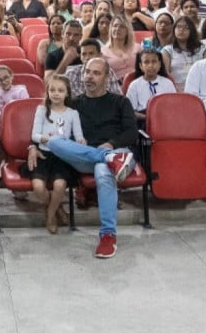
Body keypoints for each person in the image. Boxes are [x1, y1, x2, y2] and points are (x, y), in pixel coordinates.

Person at [46, 58, 137, 259]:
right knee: (53, 141)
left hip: (115, 150)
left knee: (103, 171)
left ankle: (107, 236)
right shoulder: (74, 104)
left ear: (106, 77)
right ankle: (108, 158)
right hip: (85, 156)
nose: (90, 76)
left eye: (96, 73)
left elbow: (132, 133)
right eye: (87, 72)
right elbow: (60, 132)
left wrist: (111, 144)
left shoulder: (120, 101)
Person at [24, 74, 81, 233]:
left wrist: (82, 141)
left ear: (67, 93)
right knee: (38, 187)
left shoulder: (72, 113)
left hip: (62, 156)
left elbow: (78, 136)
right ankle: (57, 208)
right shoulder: (42, 110)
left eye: (60, 90)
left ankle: (50, 214)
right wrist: (45, 139)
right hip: (43, 154)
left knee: (60, 184)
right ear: (47, 92)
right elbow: (34, 135)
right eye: (52, 90)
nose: (56, 93)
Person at [125, 48, 176, 119]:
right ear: (140, 66)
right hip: (143, 119)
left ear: (160, 64)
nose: (150, 65)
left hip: (165, 118)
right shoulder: (134, 85)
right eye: (146, 62)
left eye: (154, 61)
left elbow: (174, 106)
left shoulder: (167, 83)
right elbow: (130, 111)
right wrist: (148, 118)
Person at [161, 16, 204, 91]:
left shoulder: (202, 49)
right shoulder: (167, 50)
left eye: (186, 27)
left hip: (199, 89)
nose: (181, 30)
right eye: (178, 27)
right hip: (175, 90)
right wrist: (177, 89)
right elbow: (166, 74)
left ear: (192, 30)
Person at [101, 16, 138, 83]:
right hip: (115, 85)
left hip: (136, 83)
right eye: (115, 26)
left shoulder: (137, 47)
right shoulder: (103, 52)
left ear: (127, 30)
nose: (117, 29)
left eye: (122, 27)